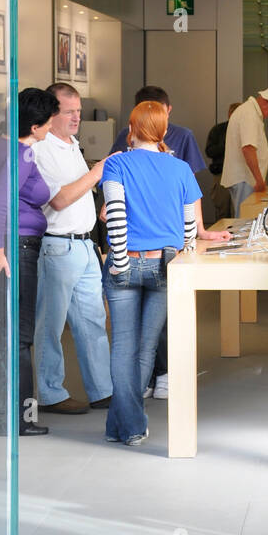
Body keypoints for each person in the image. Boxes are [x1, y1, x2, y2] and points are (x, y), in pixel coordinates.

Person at [101, 99, 230, 446]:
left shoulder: (117, 165)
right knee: (145, 349)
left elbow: (114, 215)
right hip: (166, 264)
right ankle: (129, 426)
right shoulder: (182, 169)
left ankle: (125, 426)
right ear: (162, 132)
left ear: (130, 130)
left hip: (125, 260)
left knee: (122, 348)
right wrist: (183, 257)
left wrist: (121, 262)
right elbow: (190, 228)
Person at [0, 88, 103, 436]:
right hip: (17, 248)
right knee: (21, 335)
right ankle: (18, 418)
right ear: (35, 125)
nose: (51, 128)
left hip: (12, 245)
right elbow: (0, 201)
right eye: (49, 121)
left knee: (5, 332)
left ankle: (0, 413)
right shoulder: (23, 154)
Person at [32, 82, 112, 413]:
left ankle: (103, 390)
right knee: (49, 326)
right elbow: (60, 198)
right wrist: (97, 173)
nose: (77, 117)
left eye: (79, 110)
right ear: (53, 113)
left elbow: (78, 195)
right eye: (70, 112)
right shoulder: (40, 150)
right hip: (57, 247)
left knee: (93, 321)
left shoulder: (72, 144)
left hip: (84, 246)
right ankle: (51, 394)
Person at [222, 86, 268, 216]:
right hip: (245, 179)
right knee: (245, 220)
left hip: (245, 179)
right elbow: (248, 148)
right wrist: (259, 180)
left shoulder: (249, 112)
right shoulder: (249, 114)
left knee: (245, 219)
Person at [113, 85, 205, 172]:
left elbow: (189, 178)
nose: (154, 120)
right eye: (148, 114)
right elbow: (113, 168)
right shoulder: (125, 135)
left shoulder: (184, 136)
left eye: (159, 114)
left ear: (169, 110)